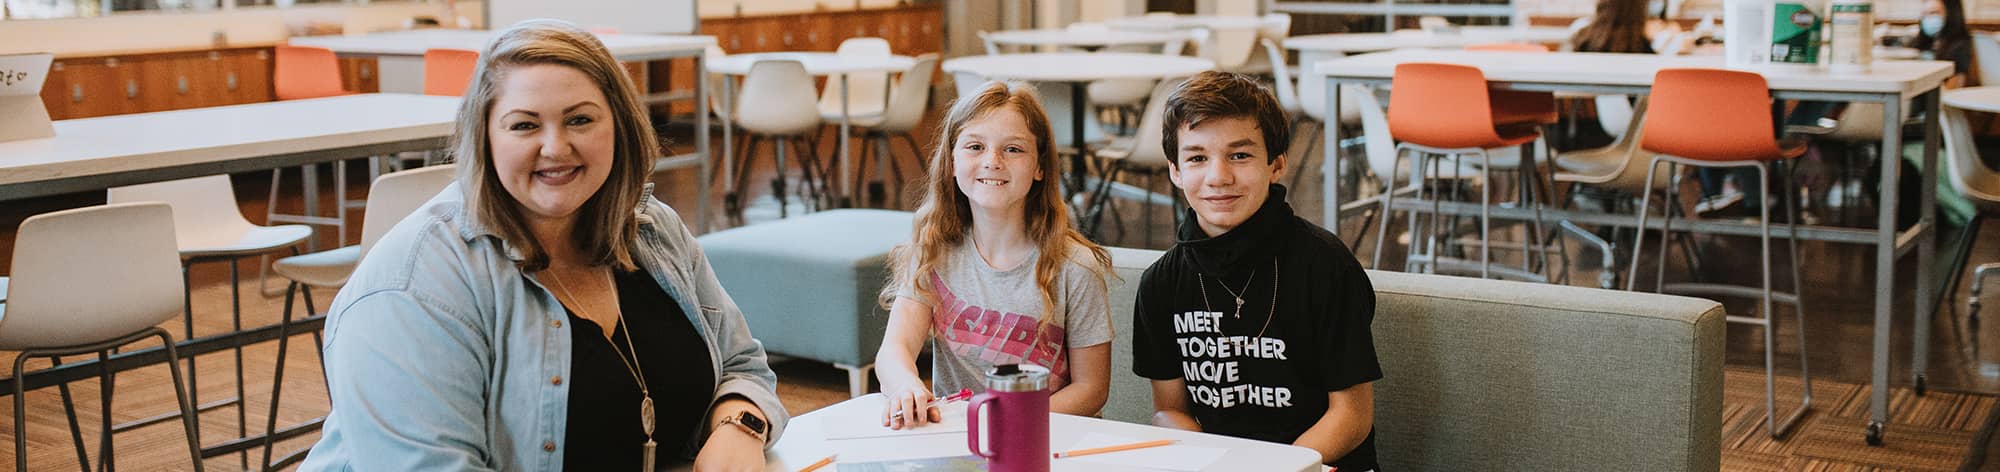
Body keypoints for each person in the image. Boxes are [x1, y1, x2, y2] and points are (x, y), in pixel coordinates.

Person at [300, 20, 785, 471]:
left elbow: (742, 364)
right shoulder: (412, 287)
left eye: (579, 120)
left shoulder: (650, 229)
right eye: (524, 125)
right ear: (485, 137)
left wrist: (739, 426)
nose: (555, 147)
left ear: (620, 124)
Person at [1130, 71, 1381, 470]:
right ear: (1175, 171)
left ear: (1276, 164)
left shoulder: (1325, 264)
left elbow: (1351, 415)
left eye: (1240, 155)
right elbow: (1169, 411)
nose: (1218, 177)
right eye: (1197, 157)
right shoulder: (1161, 283)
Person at [873, 80, 1114, 429]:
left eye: (1013, 149)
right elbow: (894, 350)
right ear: (951, 162)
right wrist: (905, 385)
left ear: (1039, 167)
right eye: (975, 146)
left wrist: (1008, 423)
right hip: (958, 442)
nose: (992, 161)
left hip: (1046, 441)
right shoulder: (932, 251)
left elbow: (1091, 389)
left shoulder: (1076, 268)